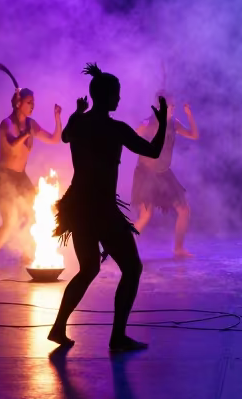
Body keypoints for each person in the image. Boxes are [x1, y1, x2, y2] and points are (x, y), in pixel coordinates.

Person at [47, 63, 167, 353]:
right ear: (107, 96)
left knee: (88, 268)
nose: (120, 98)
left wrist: (77, 113)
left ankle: (59, 326)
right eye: (117, 93)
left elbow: (65, 136)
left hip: (78, 205)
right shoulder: (116, 129)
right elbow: (152, 151)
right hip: (100, 207)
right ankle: (117, 337)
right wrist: (163, 124)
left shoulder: (79, 124)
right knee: (132, 268)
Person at [0, 62, 64, 274]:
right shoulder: (7, 123)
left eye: (33, 103)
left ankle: (27, 254)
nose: (32, 106)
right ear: (18, 103)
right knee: (9, 222)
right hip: (4, 177)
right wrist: (27, 133)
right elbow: (11, 145)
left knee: (35, 214)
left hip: (21, 177)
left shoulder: (31, 124)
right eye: (29, 102)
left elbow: (55, 139)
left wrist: (57, 119)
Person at [131, 92, 198, 256]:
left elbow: (194, 135)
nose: (173, 108)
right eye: (170, 105)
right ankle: (123, 247)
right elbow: (131, 138)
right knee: (146, 215)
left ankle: (179, 248)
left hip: (164, 174)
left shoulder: (174, 124)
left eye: (174, 105)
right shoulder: (149, 123)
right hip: (146, 174)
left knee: (184, 209)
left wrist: (189, 114)